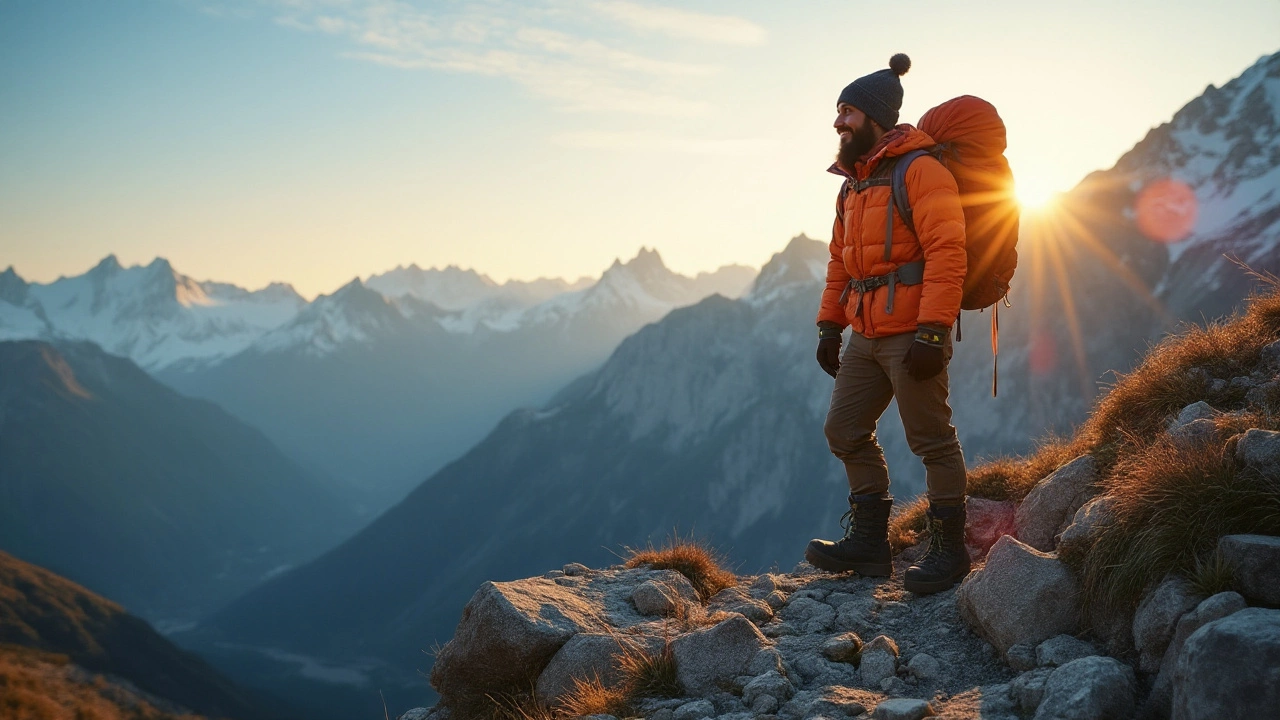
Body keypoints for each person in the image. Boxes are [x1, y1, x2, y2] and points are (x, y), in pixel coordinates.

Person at [804, 54, 970, 595]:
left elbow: (949, 251)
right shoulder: (852, 185)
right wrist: (830, 325)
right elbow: (840, 261)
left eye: (847, 111)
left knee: (932, 441)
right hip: (864, 334)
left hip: (911, 333)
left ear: (876, 117)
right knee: (844, 431)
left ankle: (950, 552)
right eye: (837, 111)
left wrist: (933, 331)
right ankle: (870, 544)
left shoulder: (921, 170)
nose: (838, 123)